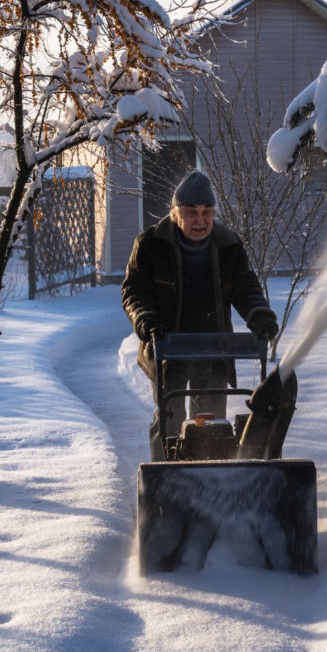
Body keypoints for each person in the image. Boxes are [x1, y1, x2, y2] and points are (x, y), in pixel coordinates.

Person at [121, 170, 279, 460]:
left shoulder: (228, 245)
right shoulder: (151, 245)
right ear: (175, 212)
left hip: (213, 346)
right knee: (170, 415)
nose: (200, 221)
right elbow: (133, 291)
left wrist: (259, 315)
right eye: (192, 213)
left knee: (210, 418)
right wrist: (145, 319)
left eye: (206, 212)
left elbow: (246, 287)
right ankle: (164, 474)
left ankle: (210, 470)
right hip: (167, 346)